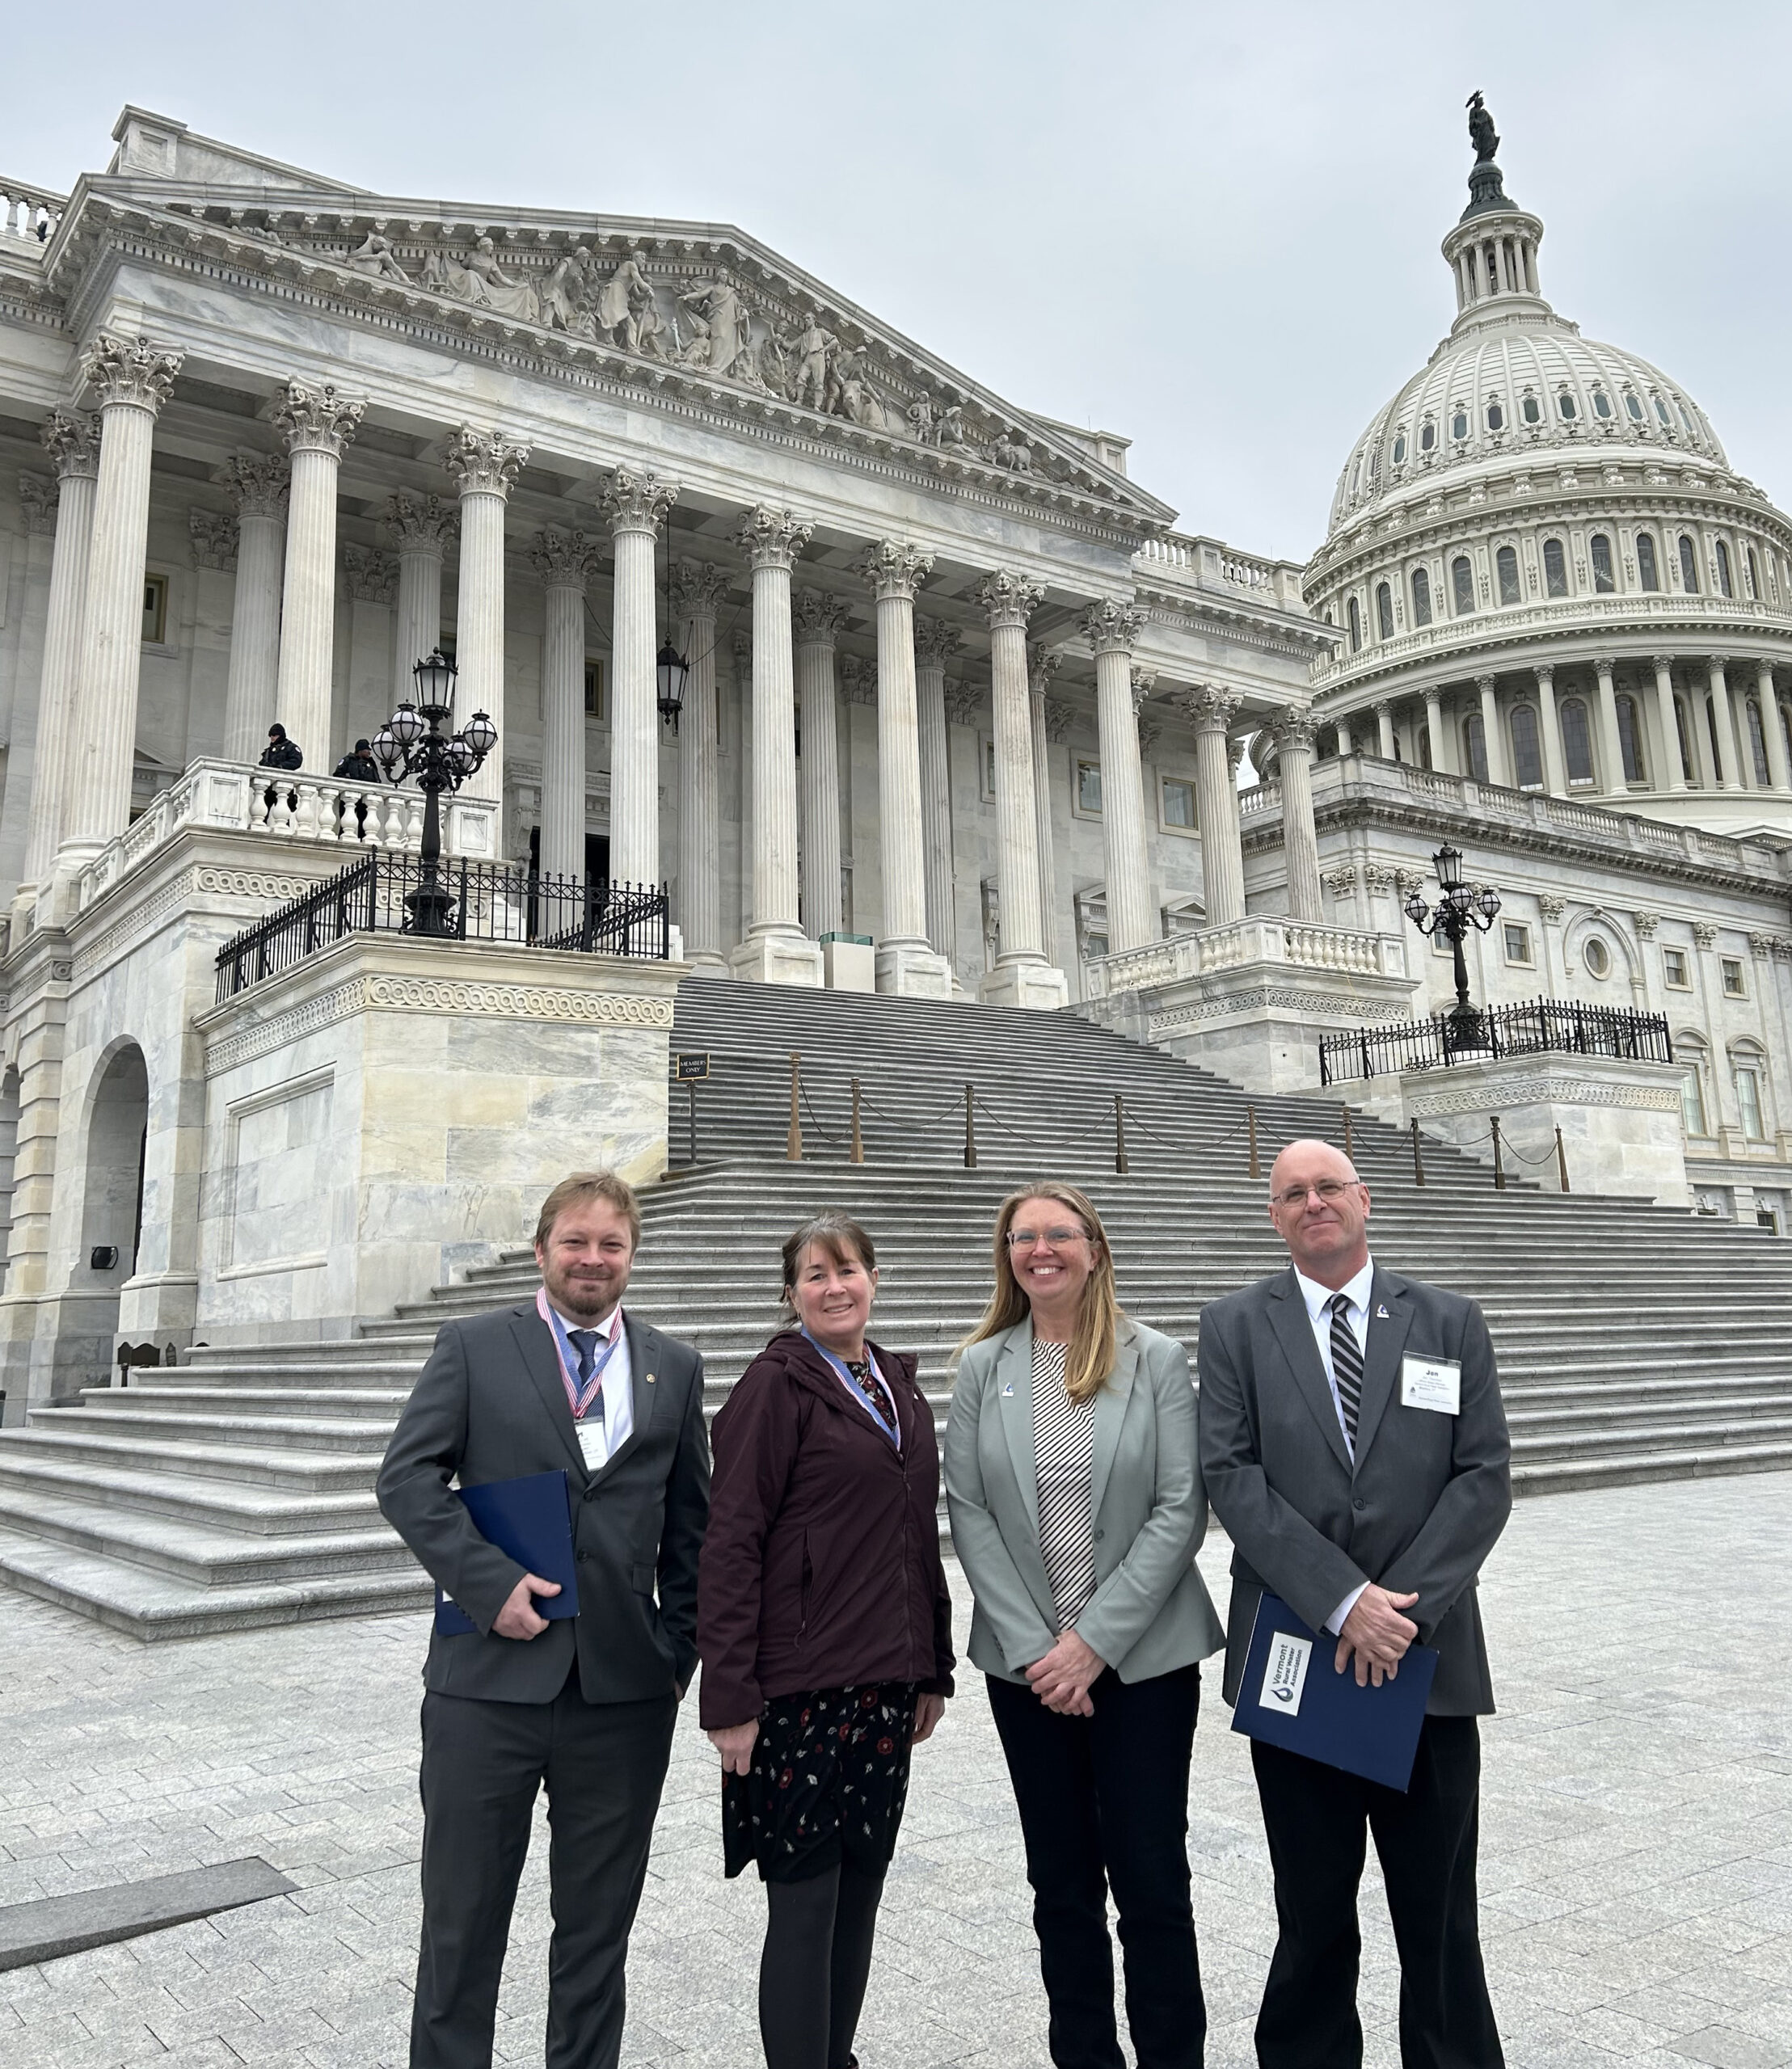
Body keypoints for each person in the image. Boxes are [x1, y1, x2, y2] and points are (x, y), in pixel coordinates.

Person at [377, 1170, 710, 2069]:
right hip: (485, 1690)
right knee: (461, 1929)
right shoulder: (475, 1345)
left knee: (597, 1936)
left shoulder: (672, 1366)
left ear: (632, 1255)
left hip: (620, 1699)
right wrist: (488, 1584)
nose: (593, 1259)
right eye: (576, 1241)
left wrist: (673, 1658)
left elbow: (693, 1530)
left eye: (611, 1244)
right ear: (542, 1249)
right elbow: (407, 1479)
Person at [1197, 1137, 1512, 2069]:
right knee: (1313, 1905)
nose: (1313, 1203)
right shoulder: (1233, 1326)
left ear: (1364, 1199)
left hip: (1430, 1664)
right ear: (1274, 1216)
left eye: (1328, 1186)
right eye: (1292, 1193)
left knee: (1441, 1911)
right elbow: (1231, 1474)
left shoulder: (1449, 1319)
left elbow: (1483, 1477)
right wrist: (1343, 1601)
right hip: (1300, 1657)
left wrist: (1397, 1612)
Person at [944, 1182, 1222, 2069]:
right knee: (1059, 1883)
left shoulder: (1156, 1359)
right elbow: (969, 1509)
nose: (1041, 1249)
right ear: (1008, 1256)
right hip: (1027, 1673)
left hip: (1141, 1663)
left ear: (1094, 1249)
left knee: (1150, 1880)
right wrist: (1039, 1648)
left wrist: (1093, 1641)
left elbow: (1180, 1510)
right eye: (1023, 1236)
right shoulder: (984, 1367)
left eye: (1059, 1233)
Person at [698, 1212, 953, 2069]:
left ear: (874, 1278)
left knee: (861, 1893)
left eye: (847, 1269)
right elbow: (730, 1541)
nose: (834, 1286)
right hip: (798, 1692)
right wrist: (729, 1697)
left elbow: (917, 1533)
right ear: (791, 1293)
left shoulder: (896, 1383)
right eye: (814, 1274)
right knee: (806, 1904)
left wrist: (933, 1667)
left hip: (885, 1682)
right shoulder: (775, 1387)